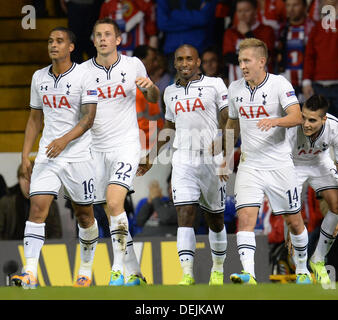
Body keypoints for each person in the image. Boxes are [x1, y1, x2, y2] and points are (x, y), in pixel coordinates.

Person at [11, 27, 99, 289]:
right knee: (37, 208)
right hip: (49, 155)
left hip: (79, 155)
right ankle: (29, 272)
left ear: (71, 47)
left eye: (59, 41)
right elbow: (34, 118)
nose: (53, 45)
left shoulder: (86, 75)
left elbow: (89, 117)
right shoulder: (39, 77)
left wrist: (64, 140)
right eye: (50, 41)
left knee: (85, 215)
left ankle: (84, 271)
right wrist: (26, 154)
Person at [222, 38, 312, 284]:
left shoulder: (279, 84)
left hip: (279, 165)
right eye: (240, 61)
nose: (243, 65)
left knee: (294, 221)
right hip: (250, 165)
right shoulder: (235, 89)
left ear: (262, 62)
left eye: (247, 60)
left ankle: (303, 270)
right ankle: (249, 274)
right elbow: (232, 123)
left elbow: (297, 116)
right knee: (246, 218)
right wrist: (225, 156)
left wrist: (275, 121)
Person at [138, 44, 229, 286]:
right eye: (180, 59)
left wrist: (225, 147)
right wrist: (150, 156)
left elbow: (228, 117)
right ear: (175, 63)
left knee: (215, 219)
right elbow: (169, 128)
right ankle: (187, 274)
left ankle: (217, 270)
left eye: (190, 59)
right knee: (184, 214)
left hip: (211, 158)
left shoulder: (216, 84)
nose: (185, 63)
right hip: (183, 158)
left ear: (198, 62)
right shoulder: (168, 92)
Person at [82, 18, 160, 286]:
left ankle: (117, 270)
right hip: (96, 149)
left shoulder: (132, 65)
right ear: (93, 40)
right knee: (110, 211)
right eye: (98, 35)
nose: (103, 39)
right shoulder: (82, 71)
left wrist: (151, 90)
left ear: (118, 39)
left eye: (108, 34)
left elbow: (152, 99)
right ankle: (135, 272)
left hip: (126, 144)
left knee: (115, 203)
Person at [287, 94, 338, 284]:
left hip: (319, 162)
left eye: (312, 120)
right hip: (292, 165)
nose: (305, 123)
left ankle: (318, 259)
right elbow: (281, 166)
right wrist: (288, 224)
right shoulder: (290, 127)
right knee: (292, 215)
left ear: (324, 119)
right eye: (304, 117)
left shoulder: (337, 128)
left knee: (337, 205)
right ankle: (301, 269)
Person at [302, 0, 338, 133]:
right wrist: (306, 82)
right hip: (319, 89)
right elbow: (310, 55)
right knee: (321, 134)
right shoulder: (318, 27)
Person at [0, 162, 62, 240]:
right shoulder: (6, 203)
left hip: (42, 249)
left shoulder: (50, 204)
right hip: (10, 249)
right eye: (24, 177)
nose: (28, 183)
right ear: (18, 180)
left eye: (32, 178)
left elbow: (56, 236)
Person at [156, 0, 218, 75]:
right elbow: (163, 24)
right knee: (176, 85)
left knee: (203, 85)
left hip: (200, 51)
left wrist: (174, 14)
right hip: (173, 53)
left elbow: (203, 18)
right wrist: (194, 21)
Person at [222, 0, 276, 82]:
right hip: (238, 86)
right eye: (239, 11)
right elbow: (228, 57)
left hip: (263, 85)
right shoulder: (231, 32)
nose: (242, 15)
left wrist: (248, 34)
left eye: (247, 11)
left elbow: (265, 56)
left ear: (255, 11)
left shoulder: (267, 30)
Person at [277, 0, 314, 101]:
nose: (291, 9)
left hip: (308, 84)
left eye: (295, 5)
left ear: (304, 7)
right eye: (288, 5)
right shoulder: (281, 30)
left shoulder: (312, 28)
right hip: (286, 85)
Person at [133, 45, 164, 151]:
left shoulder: (149, 85)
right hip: (140, 147)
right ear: (141, 62)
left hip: (155, 145)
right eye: (152, 60)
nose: (155, 64)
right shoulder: (131, 89)